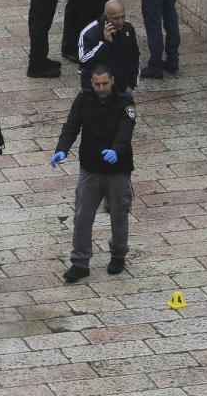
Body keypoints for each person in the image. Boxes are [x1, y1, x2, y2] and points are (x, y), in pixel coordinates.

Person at [51, 63, 137, 282]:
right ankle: (80, 262)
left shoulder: (125, 102)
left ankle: (118, 254)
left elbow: (125, 131)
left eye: (105, 83)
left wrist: (116, 151)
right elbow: (71, 126)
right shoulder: (84, 100)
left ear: (113, 81)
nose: (101, 88)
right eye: (97, 84)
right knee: (82, 216)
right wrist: (61, 149)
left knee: (119, 213)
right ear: (91, 83)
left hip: (117, 169)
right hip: (90, 167)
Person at [78, 0, 139, 94]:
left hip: (122, 89)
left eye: (123, 17)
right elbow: (84, 61)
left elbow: (135, 57)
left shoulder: (128, 28)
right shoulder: (89, 32)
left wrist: (131, 85)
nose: (120, 22)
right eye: (116, 18)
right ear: (106, 17)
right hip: (97, 91)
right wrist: (105, 43)